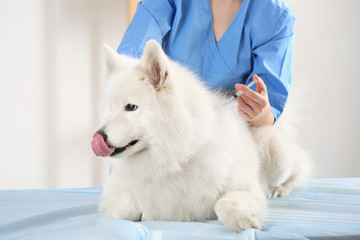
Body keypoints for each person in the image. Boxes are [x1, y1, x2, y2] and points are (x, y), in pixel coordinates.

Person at [117, 0, 295, 127]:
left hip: (224, 137)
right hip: (162, 125)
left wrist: (260, 114)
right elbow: (131, 55)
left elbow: (269, 105)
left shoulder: (274, 17)